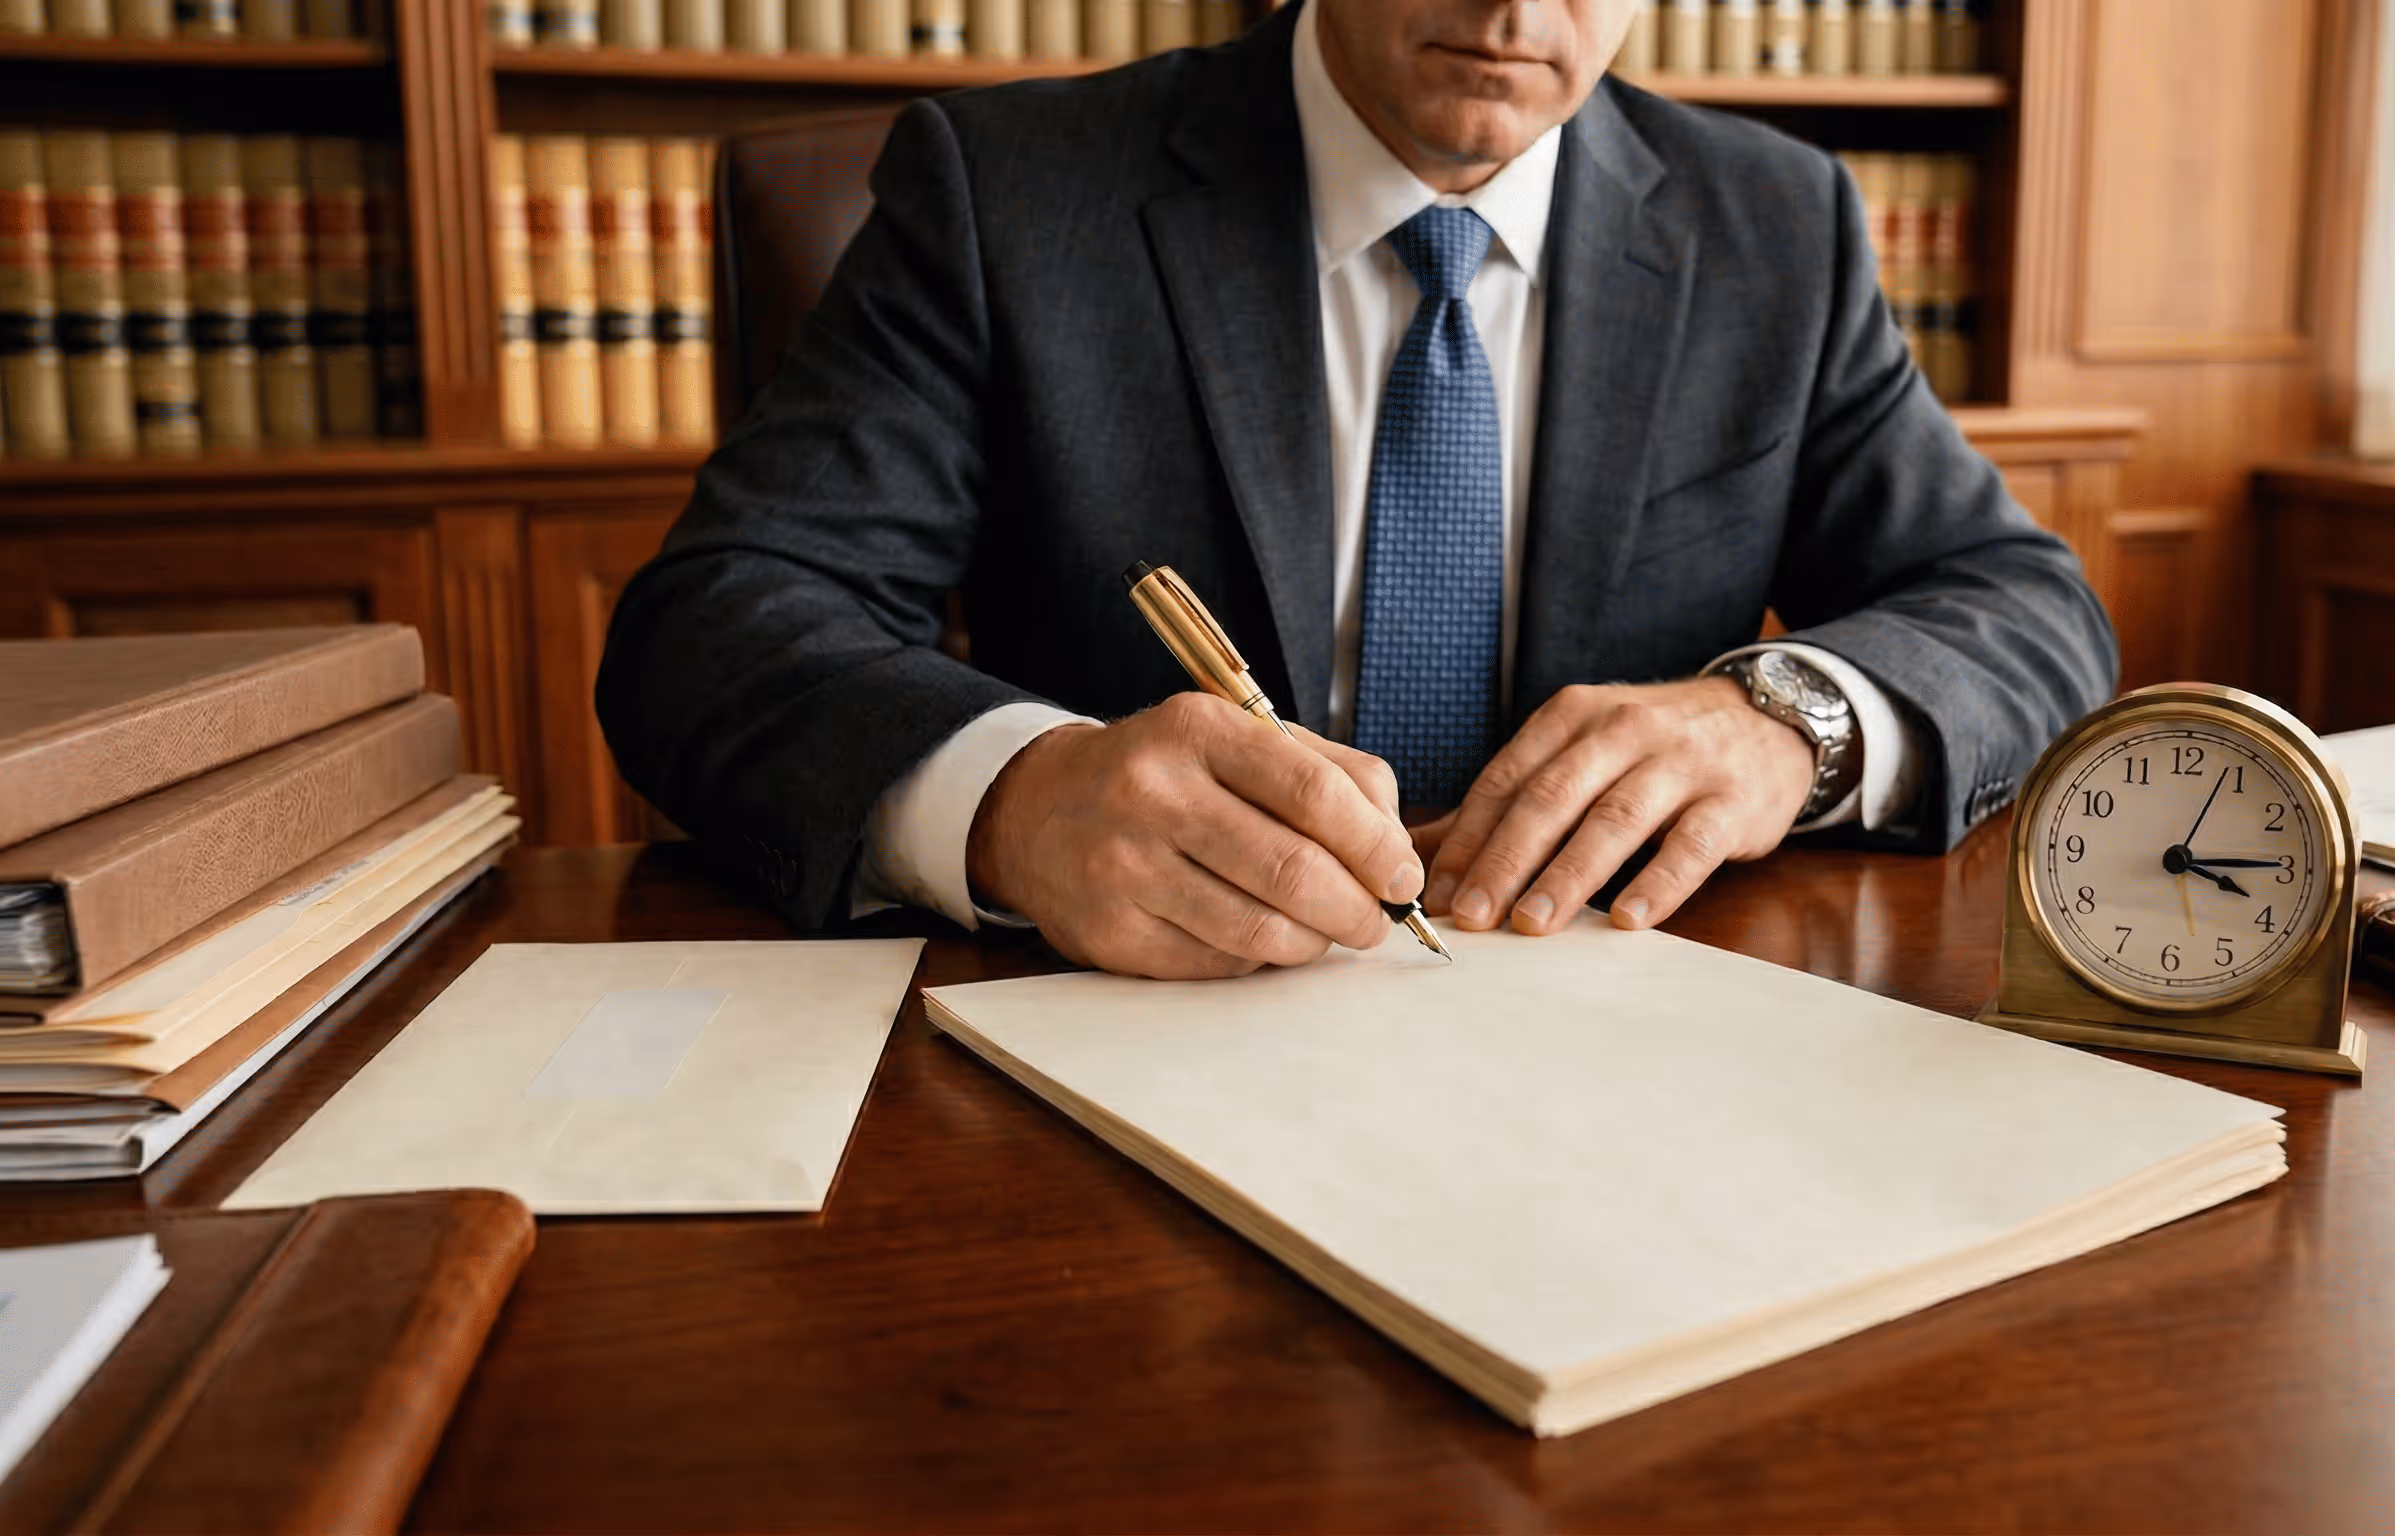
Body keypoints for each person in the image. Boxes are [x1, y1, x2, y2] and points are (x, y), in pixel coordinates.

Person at [595, 0, 2117, 979]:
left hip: (1605, 1049)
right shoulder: (1008, 189)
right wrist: (1016, 803)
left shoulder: (1776, 223)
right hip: (1125, 1056)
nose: (1514, 7)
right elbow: (714, 624)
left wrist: (1787, 722)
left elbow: (2024, 607)